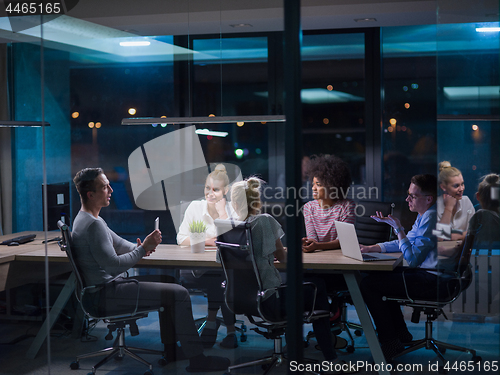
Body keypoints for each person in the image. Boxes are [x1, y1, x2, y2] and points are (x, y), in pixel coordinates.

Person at [71, 168, 230, 372]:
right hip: (105, 295)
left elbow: (120, 245)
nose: (111, 189)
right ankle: (198, 360)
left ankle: (172, 351)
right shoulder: (93, 225)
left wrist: (142, 247)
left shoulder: (90, 219)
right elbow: (114, 266)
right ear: (90, 194)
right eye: (104, 187)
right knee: (179, 294)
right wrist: (143, 249)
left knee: (169, 282)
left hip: (103, 290)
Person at [230, 177, 356, 374]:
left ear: (234, 203)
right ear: (257, 201)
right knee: (316, 285)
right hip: (270, 300)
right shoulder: (264, 221)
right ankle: (331, 358)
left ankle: (294, 346)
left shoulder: (227, 227)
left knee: (296, 287)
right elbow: (284, 259)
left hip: (241, 299)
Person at [359, 174, 439, 361]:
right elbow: (406, 242)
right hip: (429, 274)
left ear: (428, 199)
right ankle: (400, 334)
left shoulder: (431, 217)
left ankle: (390, 342)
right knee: (380, 277)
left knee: (369, 285)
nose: (407, 199)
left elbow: (412, 259)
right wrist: (371, 248)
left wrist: (398, 228)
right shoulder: (426, 214)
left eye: (412, 196)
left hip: (433, 279)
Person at [176, 164, 238, 349]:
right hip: (194, 269)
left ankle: (211, 323)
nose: (210, 193)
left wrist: (222, 213)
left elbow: (234, 241)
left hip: (222, 269)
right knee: (221, 280)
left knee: (220, 277)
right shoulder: (195, 207)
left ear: (225, 191)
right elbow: (181, 239)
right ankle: (230, 331)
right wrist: (208, 241)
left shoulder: (231, 209)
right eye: (207, 188)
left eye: (216, 190)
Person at [302, 155, 356, 253]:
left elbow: (344, 241)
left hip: (341, 257)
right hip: (319, 257)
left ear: (332, 186)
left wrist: (318, 246)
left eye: (318, 185)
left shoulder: (347, 206)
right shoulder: (308, 207)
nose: (313, 188)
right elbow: (312, 237)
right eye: (313, 184)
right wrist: (308, 243)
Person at [437, 161, 475, 241]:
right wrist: (448, 208)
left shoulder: (466, 201)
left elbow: (474, 232)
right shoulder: (435, 206)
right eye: (456, 186)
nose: (461, 189)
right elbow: (439, 237)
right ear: (443, 187)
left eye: (462, 184)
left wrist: (456, 236)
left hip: (462, 250)